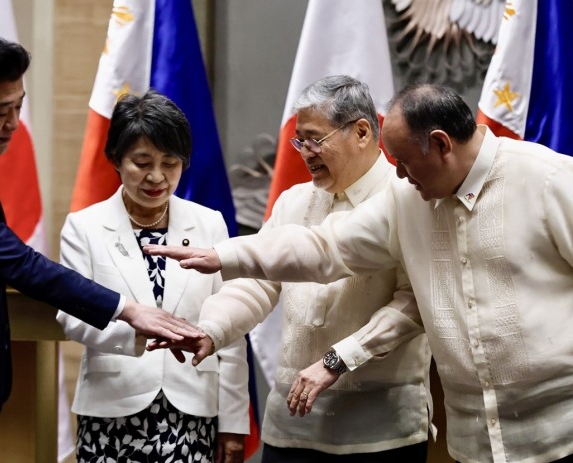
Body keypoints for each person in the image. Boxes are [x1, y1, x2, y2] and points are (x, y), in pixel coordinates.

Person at [146, 82, 573, 463]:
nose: (400, 174)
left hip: (553, 428)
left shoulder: (548, 179)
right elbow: (326, 247)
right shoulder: (406, 198)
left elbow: (409, 306)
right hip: (473, 440)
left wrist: (340, 357)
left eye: (404, 161)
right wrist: (224, 259)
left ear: (441, 144)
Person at [0, 32, 203, 463]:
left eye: (19, 106)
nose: (14, 123)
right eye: (1, 111)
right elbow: (19, 264)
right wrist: (129, 309)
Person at [160, 75, 432, 463]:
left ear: (361, 132)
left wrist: (340, 359)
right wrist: (212, 330)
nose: (305, 152)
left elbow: (413, 304)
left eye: (315, 139)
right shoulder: (294, 200)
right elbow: (256, 285)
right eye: (299, 140)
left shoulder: (406, 195)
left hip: (379, 432)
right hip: (293, 426)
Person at [56, 89, 250, 463]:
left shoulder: (209, 224)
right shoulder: (85, 227)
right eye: (141, 162)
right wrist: (141, 331)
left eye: (170, 162)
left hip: (192, 411)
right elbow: (72, 317)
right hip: (112, 409)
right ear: (116, 159)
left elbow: (233, 329)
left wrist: (234, 422)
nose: (157, 176)